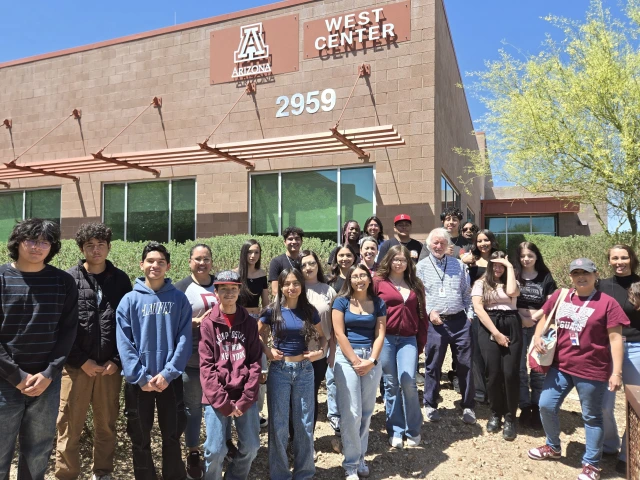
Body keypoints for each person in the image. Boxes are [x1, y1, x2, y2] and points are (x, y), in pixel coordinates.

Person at [528, 258, 627, 480]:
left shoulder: (607, 303)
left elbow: (616, 339)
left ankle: (591, 464)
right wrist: (536, 337)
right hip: (561, 365)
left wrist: (616, 372)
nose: (581, 277)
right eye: (576, 273)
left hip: (592, 369)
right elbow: (544, 318)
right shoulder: (561, 296)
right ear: (570, 276)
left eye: (586, 272)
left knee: (592, 417)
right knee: (545, 405)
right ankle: (553, 447)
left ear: (595, 274)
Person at [0, 219, 78, 480]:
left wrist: (49, 373)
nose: (38, 247)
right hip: (3, 383)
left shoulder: (64, 282)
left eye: (45, 241)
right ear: (17, 243)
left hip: (46, 383)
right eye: (31, 240)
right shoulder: (1, 278)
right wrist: (16, 376)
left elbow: (68, 332)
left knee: (38, 452)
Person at [55, 223, 132, 480]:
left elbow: (127, 324)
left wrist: (117, 360)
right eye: (90, 245)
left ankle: (103, 472)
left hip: (109, 368)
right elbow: (61, 327)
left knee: (106, 425)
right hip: (77, 368)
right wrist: (80, 360)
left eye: (101, 245)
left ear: (109, 247)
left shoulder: (120, 280)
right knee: (69, 425)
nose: (96, 250)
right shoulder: (68, 279)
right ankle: (67, 474)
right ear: (81, 248)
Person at [116, 242, 192, 480]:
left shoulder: (179, 299)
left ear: (168, 266)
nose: (155, 265)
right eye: (150, 261)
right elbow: (124, 343)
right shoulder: (129, 300)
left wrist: (168, 373)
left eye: (160, 262)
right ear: (142, 264)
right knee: (139, 438)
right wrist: (141, 377)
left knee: (172, 436)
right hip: (139, 383)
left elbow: (184, 339)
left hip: (170, 381)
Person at [258, 269, 326, 480]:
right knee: (278, 425)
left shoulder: (309, 311)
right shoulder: (272, 310)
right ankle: (280, 474)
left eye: (296, 283)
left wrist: (319, 353)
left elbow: (324, 337)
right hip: (280, 371)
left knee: (304, 424)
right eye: (287, 283)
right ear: (280, 286)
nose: (291, 287)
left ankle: (304, 473)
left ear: (302, 286)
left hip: (305, 371)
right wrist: (268, 352)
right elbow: (255, 333)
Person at [199, 271, 262, 480]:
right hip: (216, 395)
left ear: (239, 291)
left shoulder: (249, 323)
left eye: (233, 289)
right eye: (223, 289)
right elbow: (206, 367)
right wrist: (224, 403)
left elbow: (254, 362)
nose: (229, 293)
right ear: (215, 292)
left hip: (245, 393)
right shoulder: (209, 324)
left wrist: (244, 400)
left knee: (252, 447)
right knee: (215, 450)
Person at [416, 227, 476, 424]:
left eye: (443, 243)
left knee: (465, 365)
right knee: (433, 366)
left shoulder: (458, 265)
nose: (439, 246)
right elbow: (418, 298)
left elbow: (466, 293)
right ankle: (430, 404)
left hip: (460, 322)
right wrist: (429, 312)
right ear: (429, 245)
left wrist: (469, 317)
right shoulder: (421, 267)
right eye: (435, 243)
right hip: (436, 323)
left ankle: (468, 406)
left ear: (448, 245)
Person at [332, 264, 386, 479]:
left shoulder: (378, 303)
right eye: (355, 276)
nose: (359, 279)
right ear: (350, 280)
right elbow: (339, 333)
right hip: (347, 358)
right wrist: (356, 361)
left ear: (369, 279)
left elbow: (380, 334)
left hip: (371, 357)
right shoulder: (341, 301)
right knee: (352, 412)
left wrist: (371, 360)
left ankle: (361, 455)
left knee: (366, 411)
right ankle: (351, 464)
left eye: (363, 275)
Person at [374, 245, 428, 448]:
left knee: (408, 380)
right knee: (390, 384)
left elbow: (422, 314)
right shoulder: (378, 282)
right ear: (389, 260)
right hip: (385, 338)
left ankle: (413, 428)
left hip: (408, 339)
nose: (399, 263)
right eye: (395, 259)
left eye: (403, 260)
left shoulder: (415, 284)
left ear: (408, 263)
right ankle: (395, 429)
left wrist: (421, 340)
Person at [174, 244, 218, 479]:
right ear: (190, 261)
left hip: (221, 360)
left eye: (206, 259)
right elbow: (170, 322)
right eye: (198, 259)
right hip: (191, 360)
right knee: (192, 409)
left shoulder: (221, 283)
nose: (202, 263)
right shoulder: (180, 288)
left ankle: (221, 445)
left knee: (220, 404)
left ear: (212, 261)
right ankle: (193, 451)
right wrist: (191, 323)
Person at [599, 245, 640, 473]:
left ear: (631, 259)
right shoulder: (602, 285)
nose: (619, 261)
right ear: (609, 261)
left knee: (635, 405)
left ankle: (627, 453)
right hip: (607, 349)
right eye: (615, 258)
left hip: (636, 348)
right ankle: (610, 444)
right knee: (604, 404)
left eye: (624, 257)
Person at [472, 251, 521, 440]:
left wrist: (509, 267)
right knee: (492, 373)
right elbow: (478, 309)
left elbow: (512, 293)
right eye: (495, 265)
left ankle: (510, 417)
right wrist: (496, 333)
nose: (498, 268)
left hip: (511, 322)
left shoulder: (513, 281)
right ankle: (495, 413)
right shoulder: (480, 283)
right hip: (489, 325)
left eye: (502, 265)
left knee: (510, 373)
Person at [514, 241, 557, 429]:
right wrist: (522, 317)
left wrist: (534, 317)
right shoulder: (514, 275)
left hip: (540, 326)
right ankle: (524, 406)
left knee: (538, 367)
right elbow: (507, 299)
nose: (526, 259)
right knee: (520, 368)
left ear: (536, 257)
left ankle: (536, 405)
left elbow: (551, 304)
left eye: (530, 256)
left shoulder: (546, 277)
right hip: (517, 324)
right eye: (523, 256)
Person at [300, 250, 337, 441]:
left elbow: (334, 325)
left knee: (310, 397)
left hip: (320, 354)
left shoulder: (328, 290)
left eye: (312, 263)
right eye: (304, 264)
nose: (308, 267)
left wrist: (331, 352)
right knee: (294, 399)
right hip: (295, 353)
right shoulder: (294, 287)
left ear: (318, 265)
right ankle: (293, 438)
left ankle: (308, 440)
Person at [235, 239, 270, 430]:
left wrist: (264, 327)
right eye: (249, 252)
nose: (253, 256)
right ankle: (239, 407)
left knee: (260, 368)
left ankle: (257, 411)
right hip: (238, 322)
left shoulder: (262, 274)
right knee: (239, 366)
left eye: (256, 252)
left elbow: (266, 304)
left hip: (257, 320)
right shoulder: (235, 274)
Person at [464, 229, 499, 404]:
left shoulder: (499, 259)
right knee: (475, 351)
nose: (483, 244)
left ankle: (494, 387)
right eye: (479, 241)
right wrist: (462, 261)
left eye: (486, 240)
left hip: (496, 311)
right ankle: (479, 389)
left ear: (492, 241)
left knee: (493, 351)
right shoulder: (471, 260)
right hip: (475, 310)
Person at [269, 227, 304, 296]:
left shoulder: (305, 260)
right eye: (290, 239)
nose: (294, 241)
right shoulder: (276, 262)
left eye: (297, 239)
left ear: (301, 241)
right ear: (285, 242)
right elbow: (275, 291)